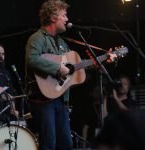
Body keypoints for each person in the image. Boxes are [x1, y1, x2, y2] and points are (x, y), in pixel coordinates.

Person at [25, 0, 117, 149]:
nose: (67, 19)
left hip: (61, 100)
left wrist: (105, 59)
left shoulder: (62, 42)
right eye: (64, 15)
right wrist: (57, 68)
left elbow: (76, 67)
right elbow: (31, 59)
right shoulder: (37, 38)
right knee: (49, 143)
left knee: (66, 144)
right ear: (53, 17)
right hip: (42, 100)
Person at [0, 43, 19, 126]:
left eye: (3, 54)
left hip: (7, 115)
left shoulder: (6, 73)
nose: (1, 57)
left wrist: (13, 108)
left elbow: (11, 93)